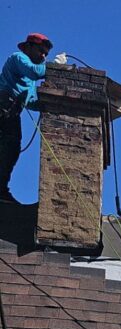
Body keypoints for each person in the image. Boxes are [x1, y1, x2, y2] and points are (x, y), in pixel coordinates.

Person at [0, 33, 55, 204]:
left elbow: (31, 102)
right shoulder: (18, 58)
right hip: (3, 104)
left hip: (13, 110)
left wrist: (49, 104)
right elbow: (34, 71)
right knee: (7, 145)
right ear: (28, 47)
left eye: (46, 53)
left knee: (11, 149)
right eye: (41, 51)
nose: (43, 56)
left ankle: (1, 188)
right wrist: (54, 68)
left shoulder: (30, 82)